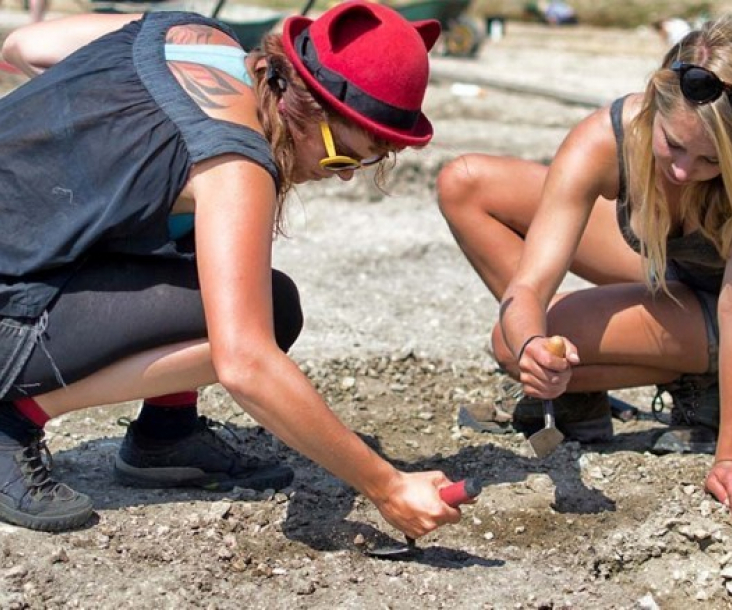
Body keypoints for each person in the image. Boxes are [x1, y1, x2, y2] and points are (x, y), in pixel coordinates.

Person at [0, 2, 466, 537]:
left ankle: (166, 433)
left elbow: (24, 48)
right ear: (301, 105)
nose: (342, 178)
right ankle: (13, 422)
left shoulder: (191, 35)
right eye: (345, 157)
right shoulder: (236, 165)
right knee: (267, 315)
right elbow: (245, 363)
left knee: (190, 236)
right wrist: (385, 484)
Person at [437, 16, 732, 524]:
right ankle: (571, 385)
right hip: (672, 265)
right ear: (653, 102)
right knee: (466, 185)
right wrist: (534, 346)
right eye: (674, 146)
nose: (683, 171)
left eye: (710, 162)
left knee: (505, 342)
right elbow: (529, 283)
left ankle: (706, 386)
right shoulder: (604, 138)